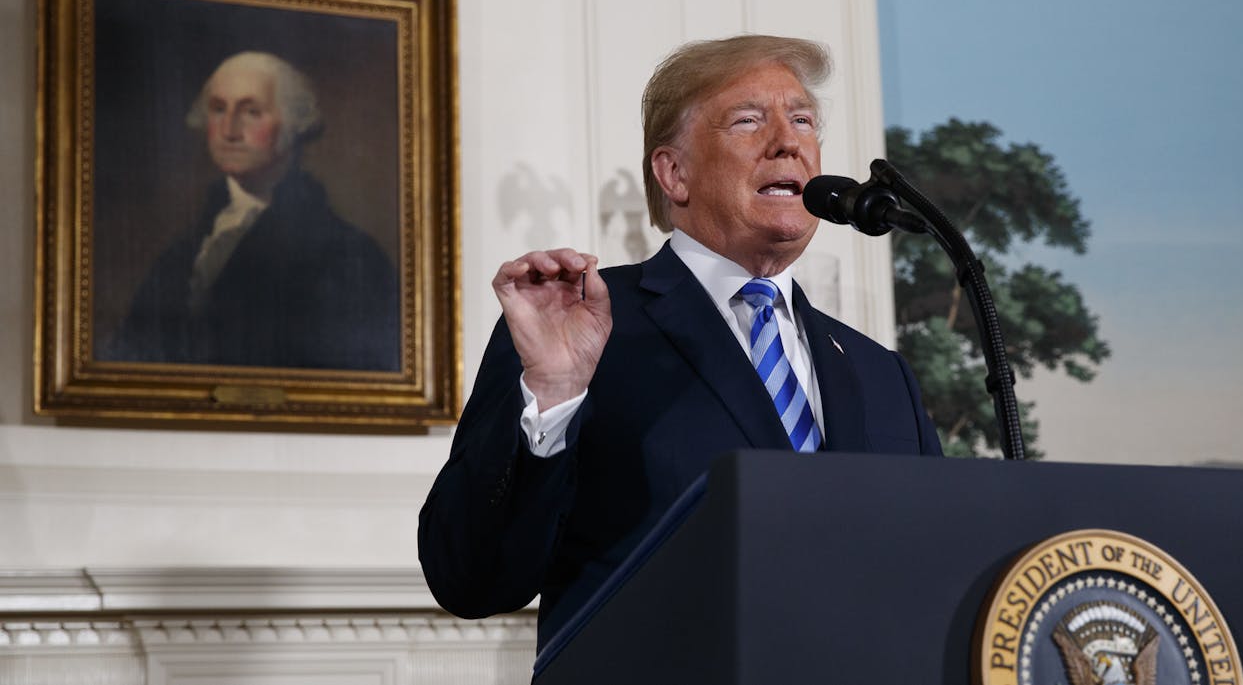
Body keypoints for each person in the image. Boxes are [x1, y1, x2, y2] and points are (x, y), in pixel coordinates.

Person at [418, 35, 941, 649]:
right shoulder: (576, 325)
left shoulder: (883, 376)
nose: (788, 141)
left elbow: (931, 571)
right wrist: (555, 395)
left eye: (801, 119)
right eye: (749, 120)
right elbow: (471, 580)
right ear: (674, 173)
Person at [103, 51, 399, 371]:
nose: (229, 130)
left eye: (251, 112)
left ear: (293, 125)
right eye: (218, 109)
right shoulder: (183, 253)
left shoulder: (349, 257)